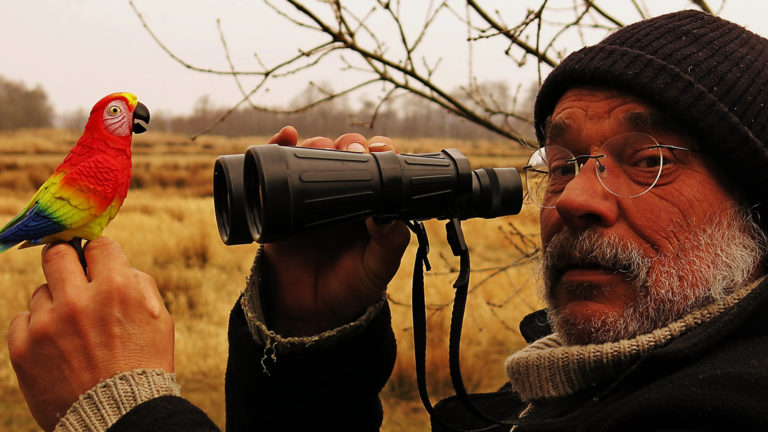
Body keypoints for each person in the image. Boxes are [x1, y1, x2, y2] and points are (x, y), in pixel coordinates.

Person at [9, 9, 768, 432]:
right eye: (562, 162)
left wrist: (125, 416)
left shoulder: (727, 407)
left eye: (647, 161)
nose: (571, 199)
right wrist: (312, 335)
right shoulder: (556, 396)